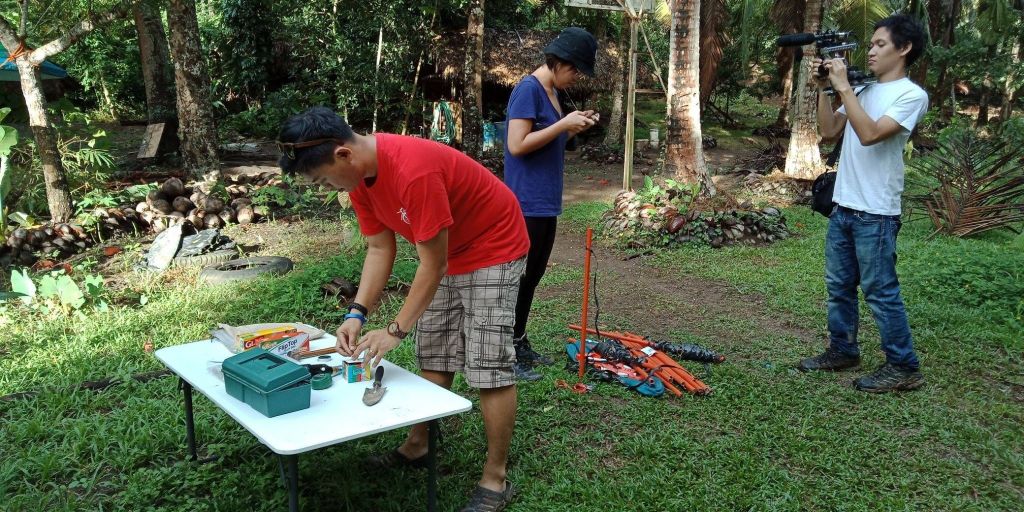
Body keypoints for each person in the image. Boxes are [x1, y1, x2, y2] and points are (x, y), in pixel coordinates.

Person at [277, 107, 529, 511]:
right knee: (434, 350)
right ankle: (418, 445)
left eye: (323, 179)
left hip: (492, 246)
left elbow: (434, 264)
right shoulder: (359, 179)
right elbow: (380, 247)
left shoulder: (413, 172)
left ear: (343, 154)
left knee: (487, 364)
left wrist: (393, 330)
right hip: (447, 250)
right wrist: (356, 313)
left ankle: (494, 478)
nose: (327, 188)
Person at [798, 14, 928, 393]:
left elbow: (870, 135)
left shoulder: (910, 95)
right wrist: (828, 90)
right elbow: (829, 131)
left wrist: (844, 89)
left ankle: (904, 366)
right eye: (870, 44)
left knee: (880, 291)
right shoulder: (865, 90)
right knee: (838, 286)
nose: (870, 51)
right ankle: (842, 350)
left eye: (880, 45)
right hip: (844, 206)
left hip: (877, 212)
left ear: (904, 49)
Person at [504, 27, 599, 381]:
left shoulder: (553, 93)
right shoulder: (528, 90)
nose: (575, 78)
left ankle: (519, 338)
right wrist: (562, 125)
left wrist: (572, 129)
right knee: (515, 278)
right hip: (524, 201)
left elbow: (549, 141)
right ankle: (505, 351)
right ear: (559, 62)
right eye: (575, 70)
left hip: (545, 201)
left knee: (533, 275)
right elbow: (517, 144)